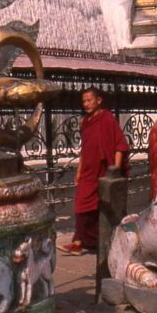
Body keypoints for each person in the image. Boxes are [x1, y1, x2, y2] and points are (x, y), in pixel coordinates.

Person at [58, 87, 129, 256]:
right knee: (81, 204)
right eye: (84, 101)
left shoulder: (107, 118)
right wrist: (79, 171)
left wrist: (116, 169)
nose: (86, 104)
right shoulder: (85, 122)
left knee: (101, 206)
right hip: (89, 170)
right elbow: (85, 148)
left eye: (89, 100)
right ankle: (82, 241)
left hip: (105, 168)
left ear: (99, 100)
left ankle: (84, 242)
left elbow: (119, 144)